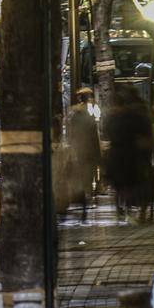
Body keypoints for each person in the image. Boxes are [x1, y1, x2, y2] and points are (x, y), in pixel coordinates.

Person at [101, 84, 154, 221]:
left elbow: (106, 134)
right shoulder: (138, 112)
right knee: (137, 181)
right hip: (133, 153)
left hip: (119, 154)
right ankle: (137, 209)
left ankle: (124, 208)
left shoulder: (113, 117)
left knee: (123, 184)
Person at [64, 89, 102, 220]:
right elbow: (93, 133)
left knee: (82, 174)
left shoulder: (74, 111)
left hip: (79, 149)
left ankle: (85, 197)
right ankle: (87, 197)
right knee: (87, 174)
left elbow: (70, 132)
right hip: (87, 149)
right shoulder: (89, 111)